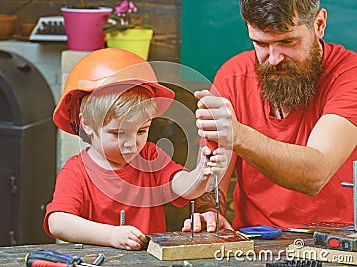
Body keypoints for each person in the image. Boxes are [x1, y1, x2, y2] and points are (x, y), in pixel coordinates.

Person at [183, 0, 357, 232]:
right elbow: (213, 174)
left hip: (336, 242)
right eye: (261, 44)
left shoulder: (349, 75)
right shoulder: (232, 76)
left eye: (287, 41)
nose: (274, 59)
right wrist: (209, 212)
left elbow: (316, 173)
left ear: (319, 24)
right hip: (255, 239)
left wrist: (239, 135)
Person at [43, 48, 227, 250]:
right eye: (118, 134)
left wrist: (202, 171)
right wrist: (110, 235)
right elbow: (57, 222)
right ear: (87, 124)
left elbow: (183, 188)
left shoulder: (150, 155)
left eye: (141, 131)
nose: (131, 144)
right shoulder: (77, 171)